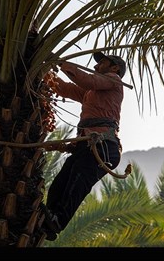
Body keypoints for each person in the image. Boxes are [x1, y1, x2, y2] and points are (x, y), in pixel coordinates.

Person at [40, 51, 126, 241]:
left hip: (103, 146)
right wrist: (44, 73)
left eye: (101, 62)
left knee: (78, 181)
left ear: (115, 68)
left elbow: (88, 81)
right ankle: (49, 221)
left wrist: (61, 63)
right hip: (88, 145)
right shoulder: (92, 92)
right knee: (60, 183)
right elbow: (65, 89)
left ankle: (58, 221)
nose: (96, 66)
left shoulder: (113, 80)